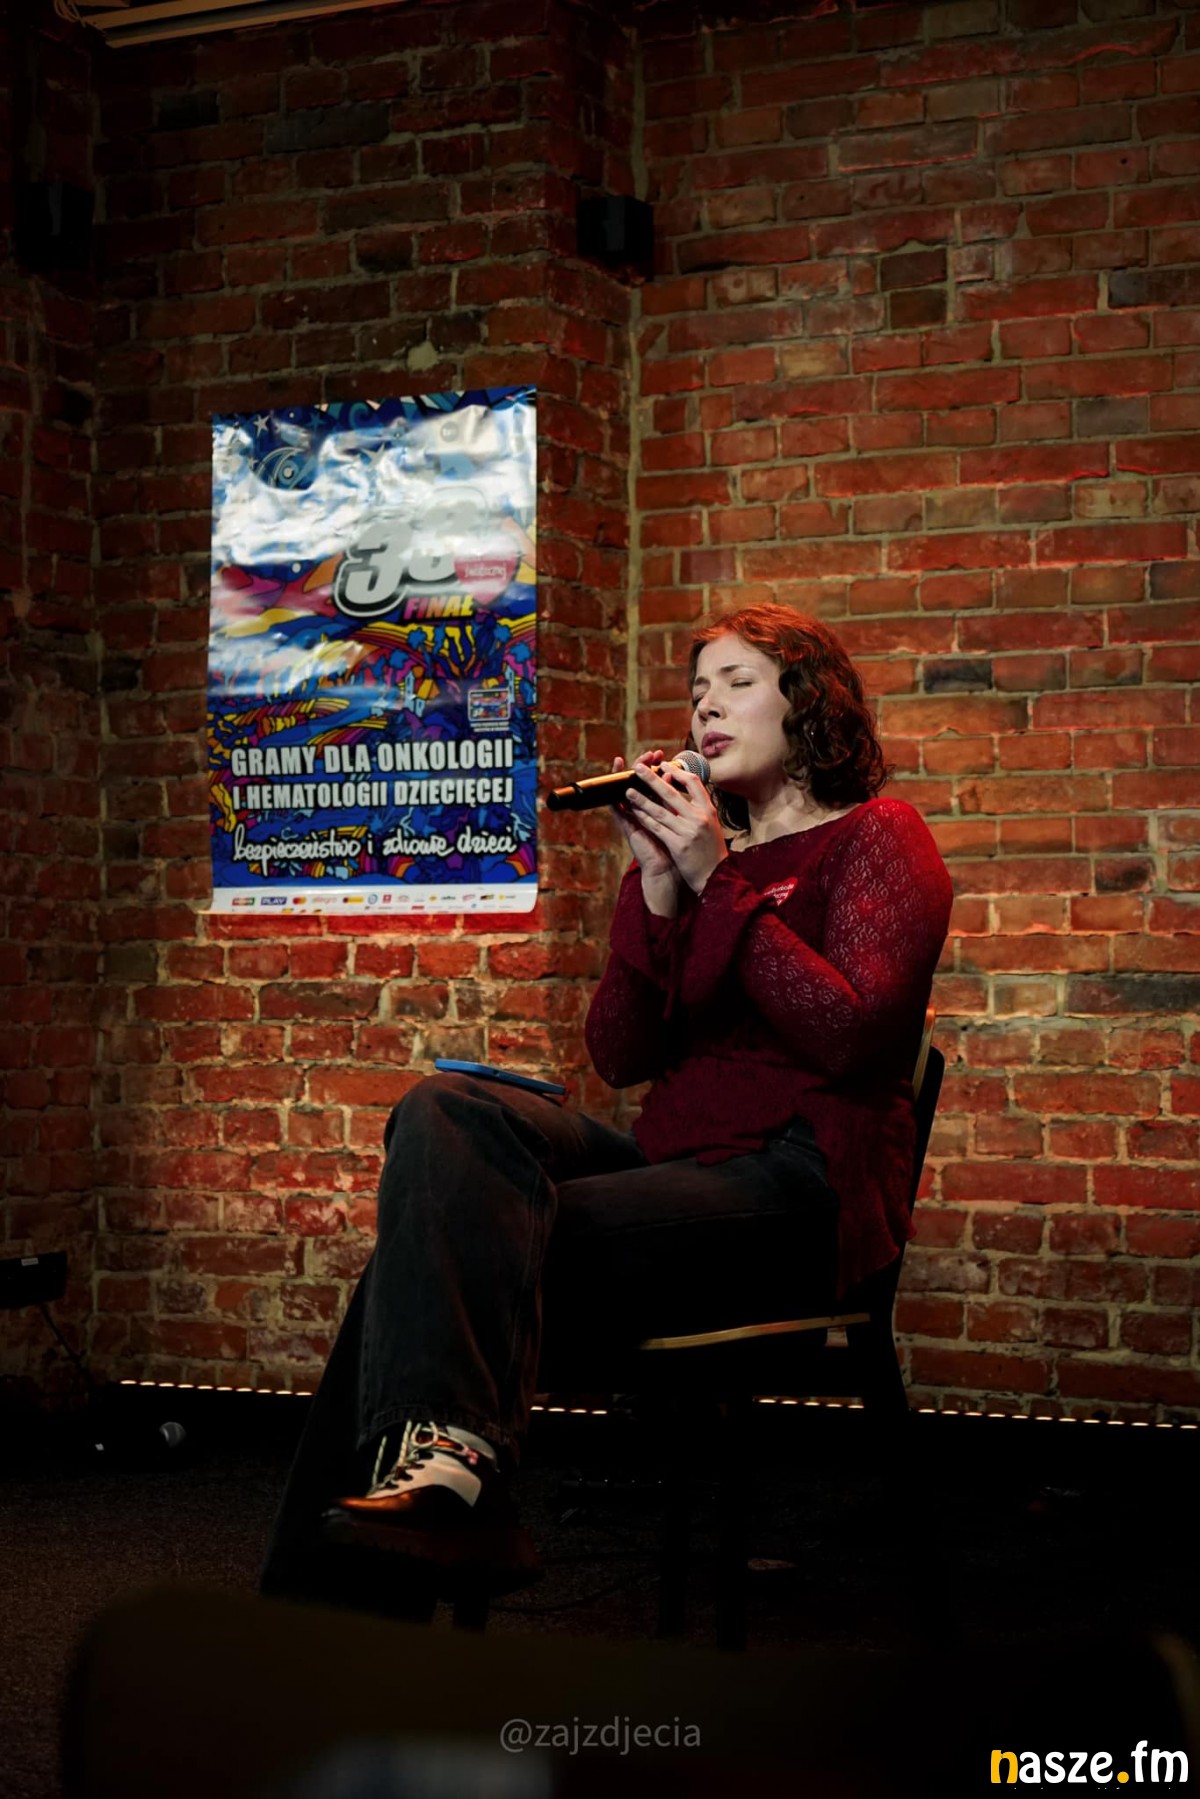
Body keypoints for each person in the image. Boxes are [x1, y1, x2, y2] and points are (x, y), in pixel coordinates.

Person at [259, 603, 953, 1603]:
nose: (706, 706)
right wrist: (659, 886)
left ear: (809, 702)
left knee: (441, 1244)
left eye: (738, 682)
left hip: (803, 1182)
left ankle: (358, 1572)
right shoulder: (704, 860)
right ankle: (448, 1480)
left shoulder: (881, 836)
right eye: (697, 689)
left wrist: (715, 877)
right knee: (447, 1109)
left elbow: (847, 1034)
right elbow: (619, 1054)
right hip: (677, 1169)